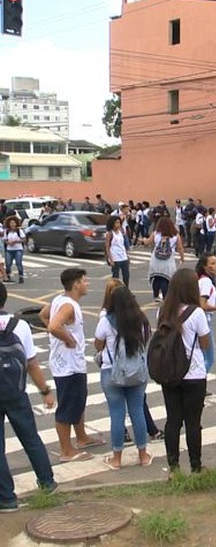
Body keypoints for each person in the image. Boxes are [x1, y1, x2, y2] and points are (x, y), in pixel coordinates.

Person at [0, 282, 58, 512]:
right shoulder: (20, 325)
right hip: (16, 393)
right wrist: (45, 391)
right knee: (31, 438)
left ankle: (6, 499)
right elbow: (31, 363)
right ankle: (47, 482)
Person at [94, 286, 154, 470]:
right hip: (137, 373)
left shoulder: (106, 322)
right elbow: (144, 343)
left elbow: (98, 345)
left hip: (111, 373)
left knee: (116, 414)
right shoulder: (142, 321)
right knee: (137, 411)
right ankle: (143, 455)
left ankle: (117, 459)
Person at [46, 268, 102, 462]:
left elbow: (45, 316)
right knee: (68, 405)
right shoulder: (68, 306)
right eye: (84, 281)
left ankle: (82, 437)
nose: (87, 284)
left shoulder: (60, 301)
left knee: (78, 400)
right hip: (68, 366)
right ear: (76, 284)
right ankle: (66, 451)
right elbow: (53, 326)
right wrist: (68, 339)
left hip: (68, 363)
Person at [159, 268, 211, 474]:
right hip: (194, 373)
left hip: (170, 372)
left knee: (173, 420)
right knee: (193, 422)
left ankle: (173, 468)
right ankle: (196, 466)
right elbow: (205, 343)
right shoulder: (196, 312)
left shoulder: (163, 310)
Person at [197, 255, 216, 374]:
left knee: (201, 355)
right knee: (209, 357)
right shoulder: (206, 281)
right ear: (205, 267)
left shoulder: (202, 279)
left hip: (202, 320)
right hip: (204, 321)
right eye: (212, 263)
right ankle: (198, 382)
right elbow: (203, 304)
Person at [143, 216, 184, 301]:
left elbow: (147, 242)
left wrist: (143, 240)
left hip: (156, 259)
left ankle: (156, 295)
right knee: (166, 278)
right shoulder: (175, 235)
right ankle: (165, 296)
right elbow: (180, 247)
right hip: (168, 260)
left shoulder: (155, 233)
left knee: (157, 277)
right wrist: (182, 258)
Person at [105, 215, 131, 287]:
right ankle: (114, 291)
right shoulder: (110, 234)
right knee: (115, 277)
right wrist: (111, 259)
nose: (118, 224)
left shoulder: (121, 232)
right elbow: (107, 247)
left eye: (119, 223)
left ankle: (126, 290)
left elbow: (123, 245)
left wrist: (127, 255)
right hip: (115, 257)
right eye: (116, 223)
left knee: (126, 275)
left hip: (123, 257)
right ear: (112, 223)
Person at [3, 217, 25, 284]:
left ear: (16, 223)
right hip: (9, 250)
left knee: (18, 263)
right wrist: (8, 243)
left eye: (14, 223)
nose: (12, 224)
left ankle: (21, 277)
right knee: (8, 264)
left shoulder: (19, 231)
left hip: (18, 249)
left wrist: (16, 241)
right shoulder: (6, 231)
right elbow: (5, 240)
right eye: (11, 223)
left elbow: (24, 239)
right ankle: (8, 276)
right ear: (8, 224)